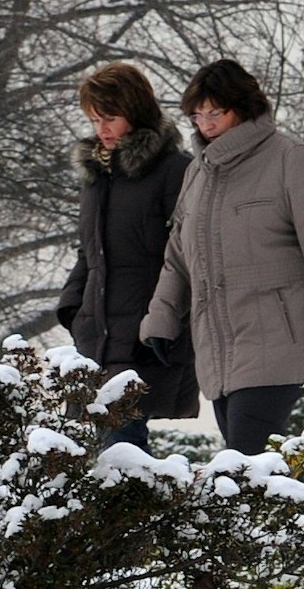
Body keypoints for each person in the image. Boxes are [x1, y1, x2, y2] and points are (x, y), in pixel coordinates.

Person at [140, 58, 304, 454]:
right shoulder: (198, 174)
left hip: (283, 341)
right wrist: (161, 318)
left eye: (215, 113)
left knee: (244, 469)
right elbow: (178, 257)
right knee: (251, 476)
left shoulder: (290, 158)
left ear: (243, 107)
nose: (205, 125)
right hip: (220, 350)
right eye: (197, 115)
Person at [56, 62, 199, 452]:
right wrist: (72, 307)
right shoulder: (96, 177)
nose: (101, 129)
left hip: (146, 335)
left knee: (123, 449)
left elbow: (189, 253)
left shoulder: (175, 172)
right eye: (94, 119)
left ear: (135, 113)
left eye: (110, 118)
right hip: (95, 336)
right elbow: (90, 252)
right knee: (87, 453)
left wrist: (166, 322)